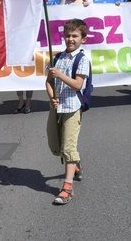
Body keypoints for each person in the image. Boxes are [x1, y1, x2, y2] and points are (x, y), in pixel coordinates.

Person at [46, 18, 90, 205]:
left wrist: (60, 75)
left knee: (68, 148)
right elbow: (48, 81)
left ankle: (67, 188)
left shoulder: (82, 59)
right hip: (57, 109)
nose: (70, 39)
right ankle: (76, 164)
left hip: (72, 108)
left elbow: (78, 84)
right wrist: (51, 96)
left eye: (75, 36)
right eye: (67, 36)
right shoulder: (57, 58)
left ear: (83, 39)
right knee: (56, 148)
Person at [0, 0, 34, 114]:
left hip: (24, 44)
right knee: (16, 73)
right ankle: (20, 100)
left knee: (28, 74)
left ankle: (28, 102)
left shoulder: (20, 10)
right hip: (10, 47)